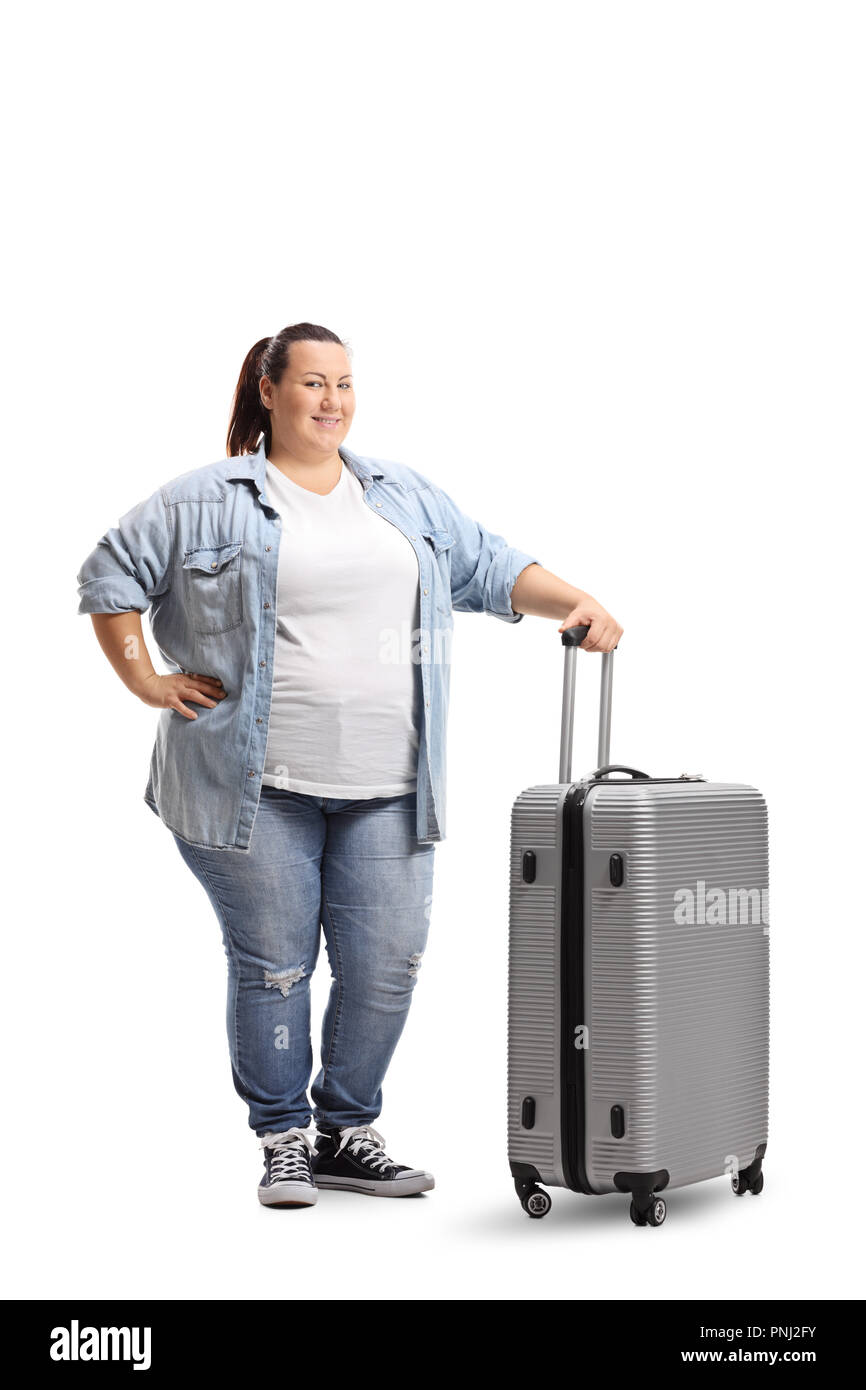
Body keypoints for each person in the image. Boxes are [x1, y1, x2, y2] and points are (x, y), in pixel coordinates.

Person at [76, 321, 623, 1210]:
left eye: (344, 383)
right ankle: (284, 1138)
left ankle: (347, 1130)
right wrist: (147, 681)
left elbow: (491, 565)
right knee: (275, 967)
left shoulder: (398, 495)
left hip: (392, 787)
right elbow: (109, 577)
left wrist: (580, 600)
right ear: (268, 388)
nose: (331, 401)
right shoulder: (206, 500)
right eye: (312, 383)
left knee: (387, 965)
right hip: (250, 790)